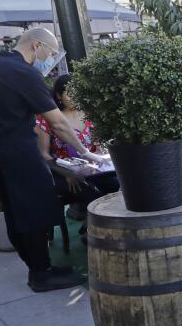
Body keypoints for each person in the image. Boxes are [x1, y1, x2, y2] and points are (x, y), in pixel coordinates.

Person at [0, 28, 103, 292]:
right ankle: (41, 273)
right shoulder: (24, 73)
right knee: (34, 212)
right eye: (49, 52)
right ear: (36, 45)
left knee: (14, 213)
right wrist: (85, 152)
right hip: (19, 154)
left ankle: (38, 268)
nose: (48, 58)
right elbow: (58, 123)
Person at [36, 74, 120, 224]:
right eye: (69, 93)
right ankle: (92, 234)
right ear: (58, 96)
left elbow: (98, 146)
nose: (74, 96)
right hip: (63, 173)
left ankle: (108, 230)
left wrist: (101, 150)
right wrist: (67, 173)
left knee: (117, 186)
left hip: (94, 170)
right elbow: (43, 155)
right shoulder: (47, 119)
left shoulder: (90, 114)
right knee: (93, 195)